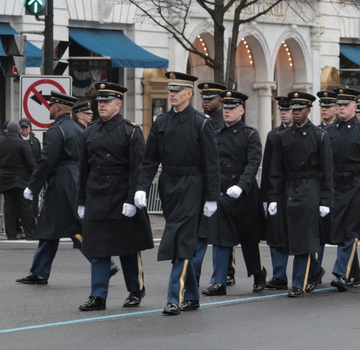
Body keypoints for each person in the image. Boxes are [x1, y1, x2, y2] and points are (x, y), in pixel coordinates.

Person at [135, 71, 219, 316]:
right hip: (169, 186)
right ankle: (192, 295)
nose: (172, 95)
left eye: (177, 91)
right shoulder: (161, 122)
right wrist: (141, 187)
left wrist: (212, 197)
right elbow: (149, 159)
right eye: (170, 91)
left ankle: (174, 297)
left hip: (193, 185)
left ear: (189, 94)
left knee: (181, 241)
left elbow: (212, 163)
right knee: (181, 238)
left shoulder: (201, 122)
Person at [76, 82, 154, 311]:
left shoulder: (130, 131)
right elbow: (84, 169)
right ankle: (98, 295)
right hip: (97, 196)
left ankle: (135, 290)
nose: (102, 106)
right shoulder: (90, 131)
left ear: (118, 104)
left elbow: (137, 169)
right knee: (97, 249)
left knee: (128, 248)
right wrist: (81, 200)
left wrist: (132, 200)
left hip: (121, 196)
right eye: (100, 101)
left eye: (107, 102)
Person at [267, 91, 334, 298]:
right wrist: (272, 197)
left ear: (308, 110)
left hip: (310, 187)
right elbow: (276, 170)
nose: (295, 113)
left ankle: (299, 283)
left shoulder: (320, 136)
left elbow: (327, 171)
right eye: (293, 109)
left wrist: (325, 200)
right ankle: (314, 270)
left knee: (304, 238)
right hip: (289, 187)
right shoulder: (282, 136)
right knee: (291, 236)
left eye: (299, 109)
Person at [16, 92, 88, 285]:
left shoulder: (57, 130)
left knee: (74, 226)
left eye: (51, 105)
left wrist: (32, 187)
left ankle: (103, 263)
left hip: (62, 181)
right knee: (50, 227)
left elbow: (46, 162)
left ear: (57, 108)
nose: (48, 109)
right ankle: (39, 271)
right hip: (75, 177)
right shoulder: (77, 128)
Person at [203, 89, 266, 295]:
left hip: (244, 195)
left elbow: (253, 162)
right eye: (225, 108)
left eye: (232, 108)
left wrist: (241, 185)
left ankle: (258, 274)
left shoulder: (250, 134)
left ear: (242, 110)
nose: (227, 111)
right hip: (222, 193)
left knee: (249, 239)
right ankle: (219, 281)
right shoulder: (216, 133)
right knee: (220, 239)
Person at [325, 91, 360, 291]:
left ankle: (341, 273)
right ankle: (354, 273)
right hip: (337, 184)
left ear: (355, 106)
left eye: (346, 104)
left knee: (350, 230)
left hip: (357, 185)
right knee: (340, 228)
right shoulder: (329, 132)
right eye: (339, 105)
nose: (342, 108)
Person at [189, 81, 229, 286]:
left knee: (223, 236)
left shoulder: (225, 123)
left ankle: (224, 275)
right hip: (203, 185)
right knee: (202, 234)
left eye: (210, 98)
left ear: (220, 101)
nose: (205, 101)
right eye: (203, 98)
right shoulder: (200, 121)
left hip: (222, 185)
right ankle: (194, 277)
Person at [261, 96, 295, 289]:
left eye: (287, 109)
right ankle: (279, 275)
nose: (283, 112)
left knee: (299, 234)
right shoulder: (273, 135)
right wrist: (265, 196)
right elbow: (267, 169)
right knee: (275, 234)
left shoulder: (308, 133)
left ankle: (312, 270)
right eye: (281, 110)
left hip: (298, 188)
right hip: (278, 190)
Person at [0, 121, 36, 240]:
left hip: (5, 179)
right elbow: (30, 162)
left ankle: (11, 234)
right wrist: (34, 176)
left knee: (9, 207)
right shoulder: (22, 143)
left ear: (7, 131)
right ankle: (30, 233)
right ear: (18, 131)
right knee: (25, 206)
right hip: (21, 179)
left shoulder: (0, 144)